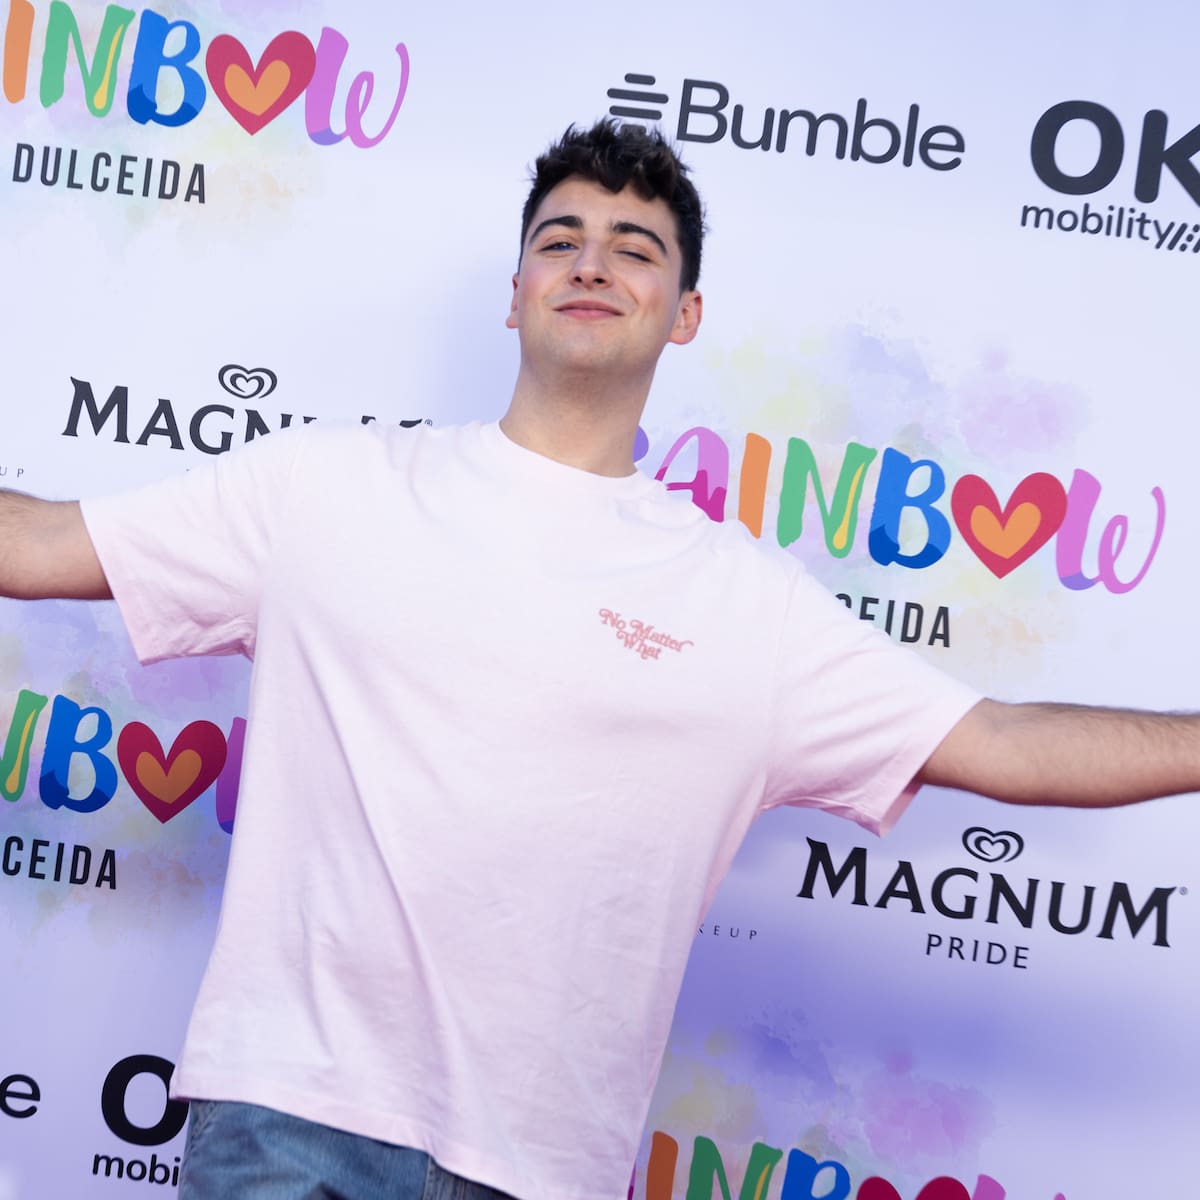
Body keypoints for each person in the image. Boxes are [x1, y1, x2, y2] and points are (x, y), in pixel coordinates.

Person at [1, 120, 1196, 1200]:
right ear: (515, 291)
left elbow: (1005, 743)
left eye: (635, 248)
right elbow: (44, 543)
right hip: (290, 1118)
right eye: (561, 240)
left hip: (536, 1168)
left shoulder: (748, 607)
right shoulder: (325, 487)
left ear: (684, 313)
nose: (590, 263)